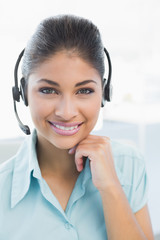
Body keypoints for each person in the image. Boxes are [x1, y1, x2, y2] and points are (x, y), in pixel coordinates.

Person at [0, 14, 154, 239]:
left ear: (104, 93)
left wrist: (111, 188)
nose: (67, 112)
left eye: (84, 91)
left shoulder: (129, 165)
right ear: (22, 93)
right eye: (48, 90)